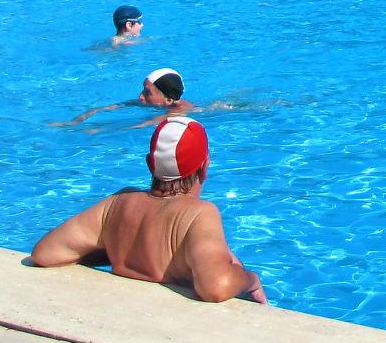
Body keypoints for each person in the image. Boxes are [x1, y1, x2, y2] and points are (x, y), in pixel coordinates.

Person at [30, 116, 266, 304]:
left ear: (149, 164)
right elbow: (216, 287)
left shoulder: (119, 203)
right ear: (205, 166)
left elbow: (46, 252)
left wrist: (117, 248)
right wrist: (250, 280)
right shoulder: (199, 213)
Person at [60, 67, 194, 126]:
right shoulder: (145, 102)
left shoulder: (177, 112)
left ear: (169, 100)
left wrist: (97, 131)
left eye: (147, 93)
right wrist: (74, 122)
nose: (140, 96)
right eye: (143, 90)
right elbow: (108, 107)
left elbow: (139, 126)